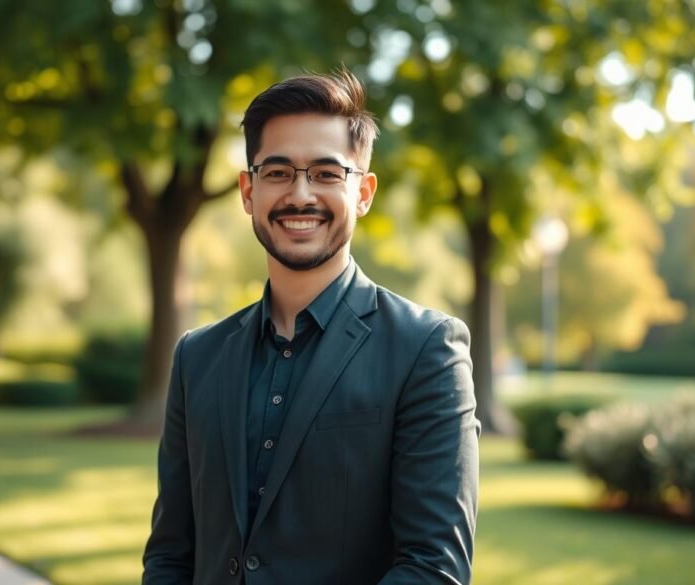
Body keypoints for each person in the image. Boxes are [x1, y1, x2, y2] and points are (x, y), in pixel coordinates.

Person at [143, 69, 479, 585]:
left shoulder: (426, 349)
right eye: (277, 172)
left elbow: (433, 568)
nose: (300, 195)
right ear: (247, 190)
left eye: (326, 174)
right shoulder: (197, 357)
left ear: (364, 192)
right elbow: (170, 557)